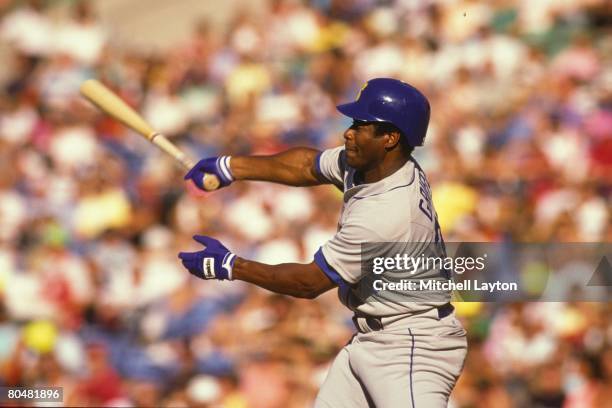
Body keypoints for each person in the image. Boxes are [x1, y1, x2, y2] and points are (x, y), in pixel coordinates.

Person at [179, 78, 467, 407]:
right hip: (374, 337)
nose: (349, 131)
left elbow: (308, 283)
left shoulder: (387, 212)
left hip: (412, 348)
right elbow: (306, 165)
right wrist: (231, 167)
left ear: (390, 138)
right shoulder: (380, 167)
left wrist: (233, 267)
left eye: (362, 125)